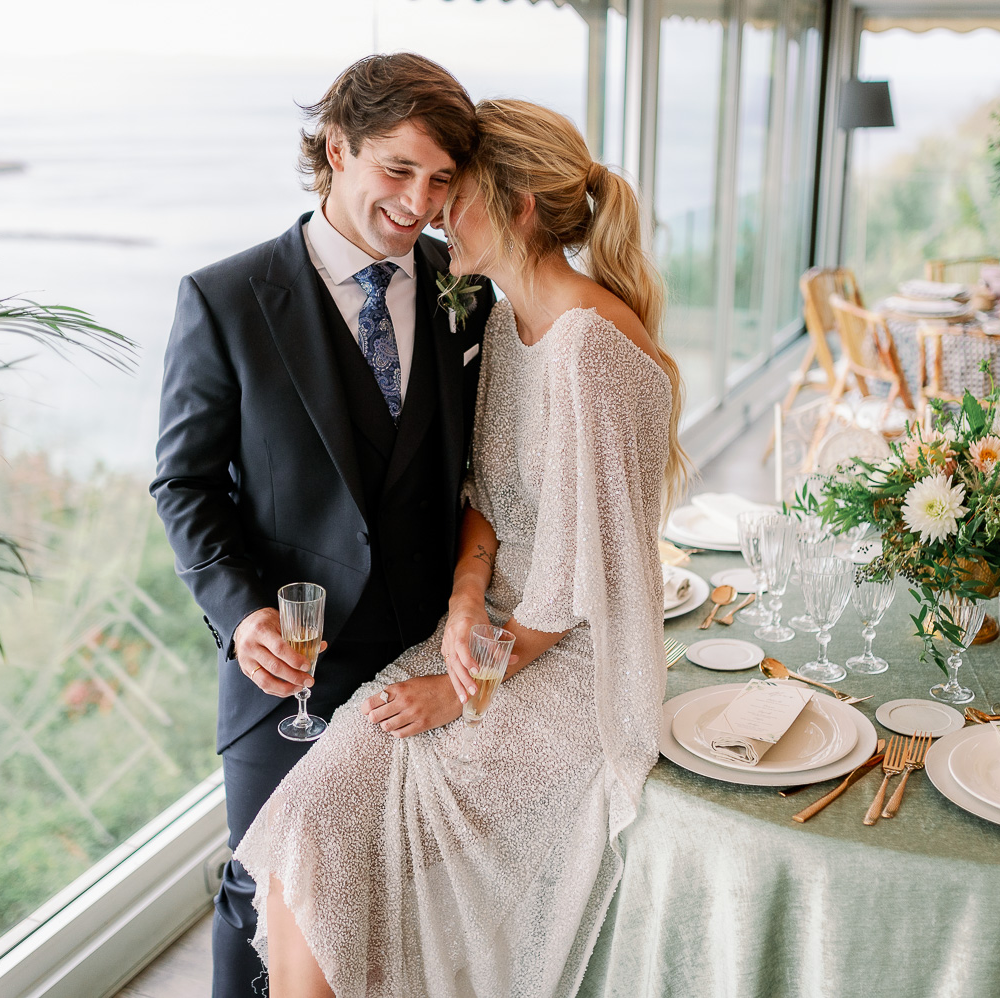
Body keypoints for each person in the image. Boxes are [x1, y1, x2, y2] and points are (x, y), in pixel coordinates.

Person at [234, 98, 689, 998]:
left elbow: (575, 583)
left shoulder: (588, 346)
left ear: (518, 206)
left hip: (571, 666)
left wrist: (462, 685)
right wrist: (466, 600)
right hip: (491, 635)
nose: (435, 213)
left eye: (456, 189)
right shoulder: (512, 325)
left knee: (317, 829)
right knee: (303, 830)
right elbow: (482, 495)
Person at [149, 54, 497, 998]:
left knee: (397, 899)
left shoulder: (464, 287)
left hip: (426, 660)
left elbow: (474, 468)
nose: (418, 203)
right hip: (291, 665)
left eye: (438, 181)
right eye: (397, 170)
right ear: (337, 149)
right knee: (267, 893)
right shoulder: (225, 299)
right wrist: (244, 614)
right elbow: (183, 483)